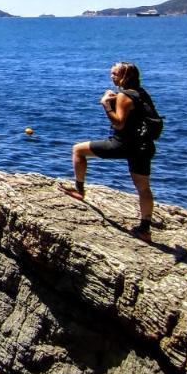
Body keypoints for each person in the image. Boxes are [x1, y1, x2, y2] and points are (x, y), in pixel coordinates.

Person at [63, 61, 156, 241]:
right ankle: (145, 229)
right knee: (144, 188)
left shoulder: (124, 96)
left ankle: (79, 191)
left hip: (122, 144)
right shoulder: (141, 94)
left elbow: (119, 123)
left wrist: (106, 104)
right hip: (144, 146)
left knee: (78, 150)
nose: (111, 76)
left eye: (115, 74)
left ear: (125, 77)